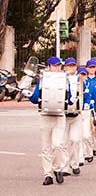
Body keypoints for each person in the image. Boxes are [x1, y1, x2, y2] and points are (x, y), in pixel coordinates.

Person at [26, 56, 69, 185]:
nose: (57, 68)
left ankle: (58, 169)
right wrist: (28, 94)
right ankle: (48, 174)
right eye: (54, 65)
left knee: (57, 145)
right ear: (49, 67)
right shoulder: (43, 80)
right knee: (46, 147)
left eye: (58, 65)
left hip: (59, 115)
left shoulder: (64, 79)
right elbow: (35, 98)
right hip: (45, 115)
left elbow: (70, 97)